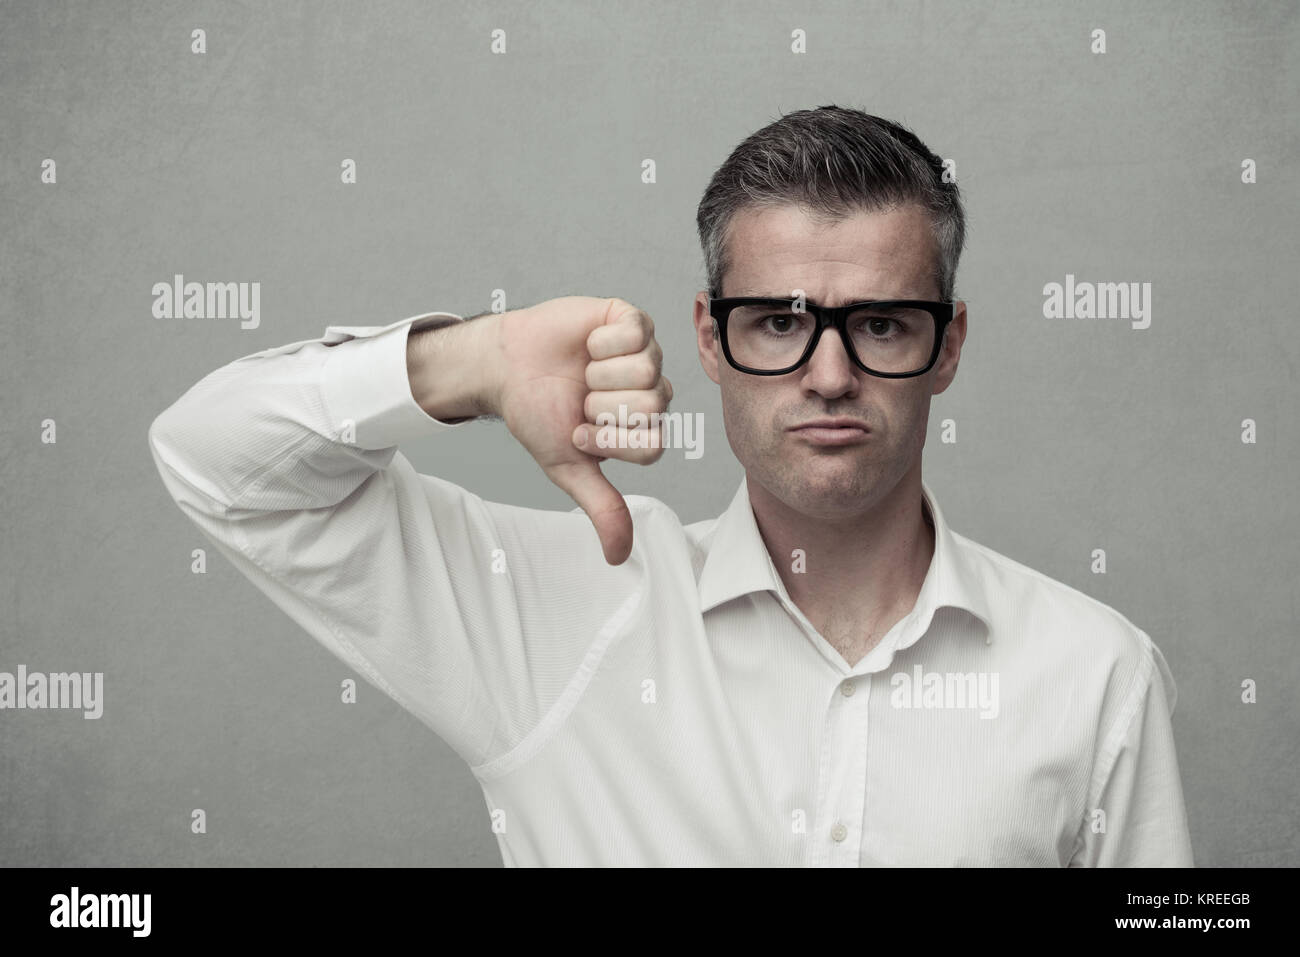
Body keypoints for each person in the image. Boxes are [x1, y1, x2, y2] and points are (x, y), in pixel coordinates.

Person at [148, 105, 1193, 867]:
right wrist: (464, 362)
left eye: (879, 323)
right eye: (779, 322)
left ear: (947, 344)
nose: (829, 374)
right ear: (709, 335)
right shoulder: (562, 616)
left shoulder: (1094, 673)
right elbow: (215, 462)